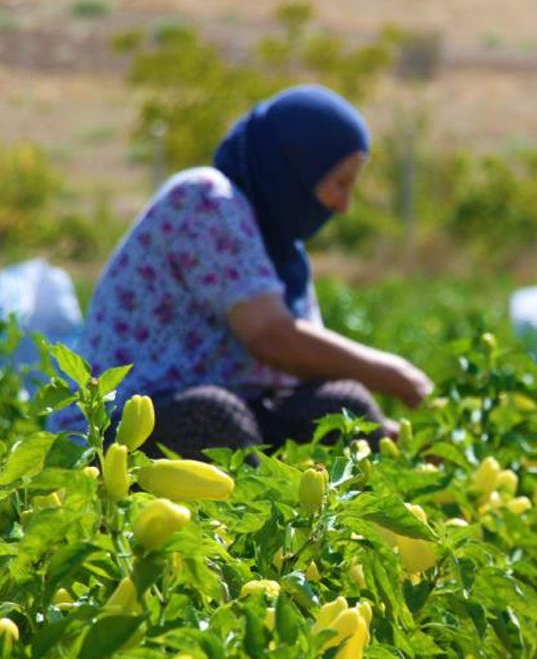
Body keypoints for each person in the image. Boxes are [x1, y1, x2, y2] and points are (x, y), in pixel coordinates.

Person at [66, 85, 432, 459]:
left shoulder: (282, 250)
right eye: (340, 183)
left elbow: (305, 369)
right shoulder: (205, 199)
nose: (344, 205)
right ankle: (254, 501)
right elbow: (272, 338)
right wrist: (396, 376)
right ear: (297, 166)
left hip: (234, 410)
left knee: (342, 408)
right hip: (114, 429)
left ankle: (366, 489)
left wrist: (394, 438)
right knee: (211, 419)